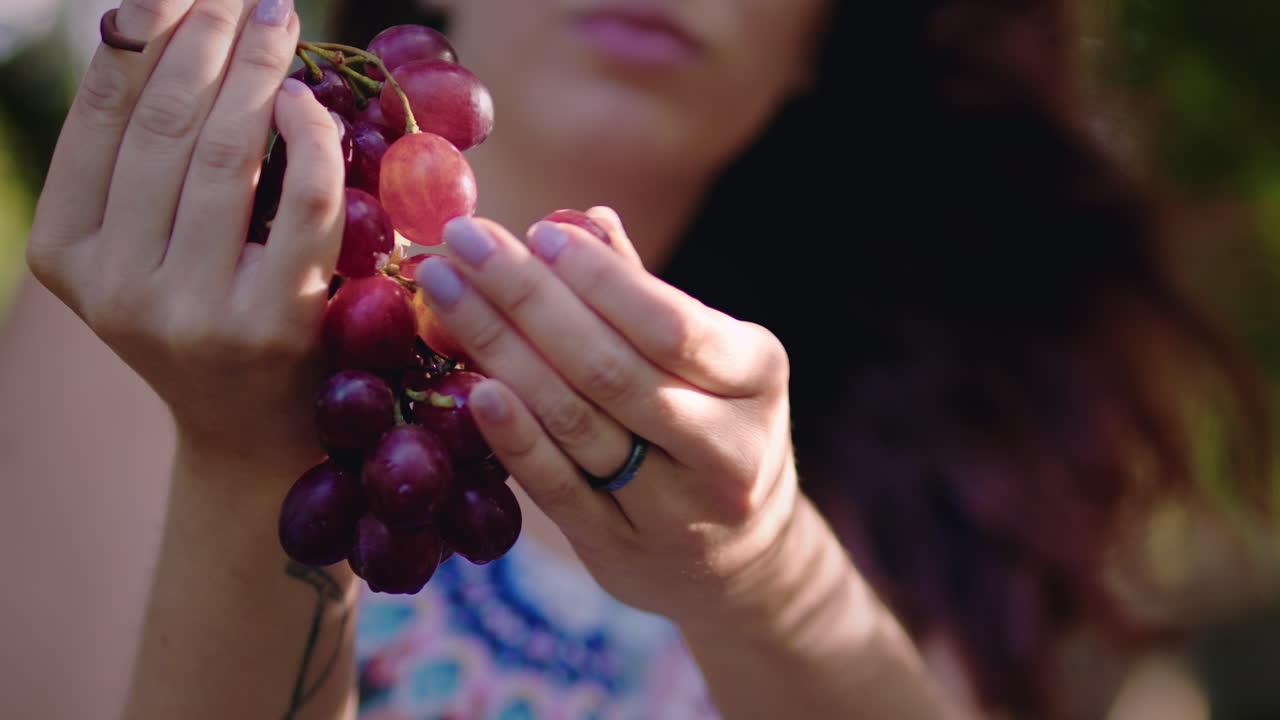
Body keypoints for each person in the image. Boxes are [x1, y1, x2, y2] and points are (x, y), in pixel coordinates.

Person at [9, 0, 1273, 719]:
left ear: (823, 35)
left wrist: (770, 576)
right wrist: (255, 473)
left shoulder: (941, 482)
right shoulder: (162, 322)